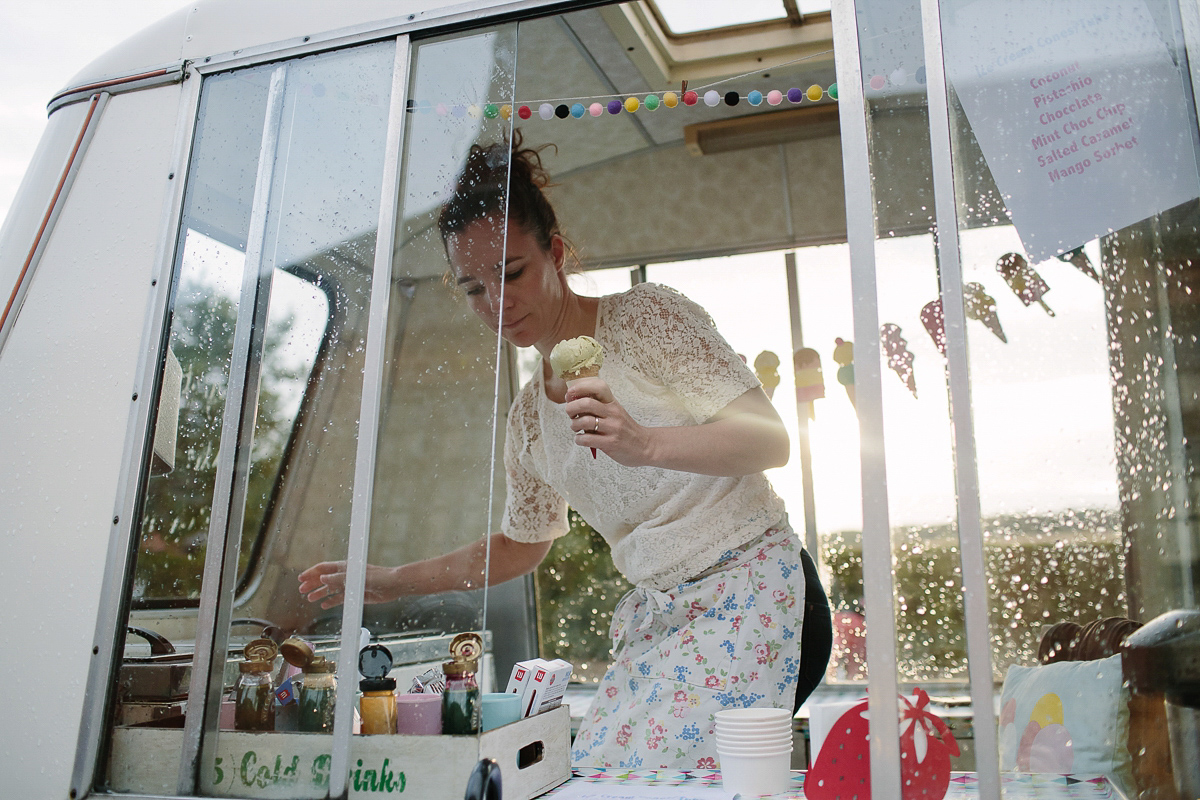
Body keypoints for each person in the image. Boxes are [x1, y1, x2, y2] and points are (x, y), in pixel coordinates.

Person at [299, 132, 830, 769]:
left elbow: (770, 442)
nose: (496, 304)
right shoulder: (528, 421)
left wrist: (643, 442)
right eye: (472, 289)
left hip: (755, 584)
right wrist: (388, 582)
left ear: (555, 253)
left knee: (658, 780)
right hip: (660, 617)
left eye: (511, 273)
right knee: (591, 769)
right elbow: (524, 543)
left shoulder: (646, 319)